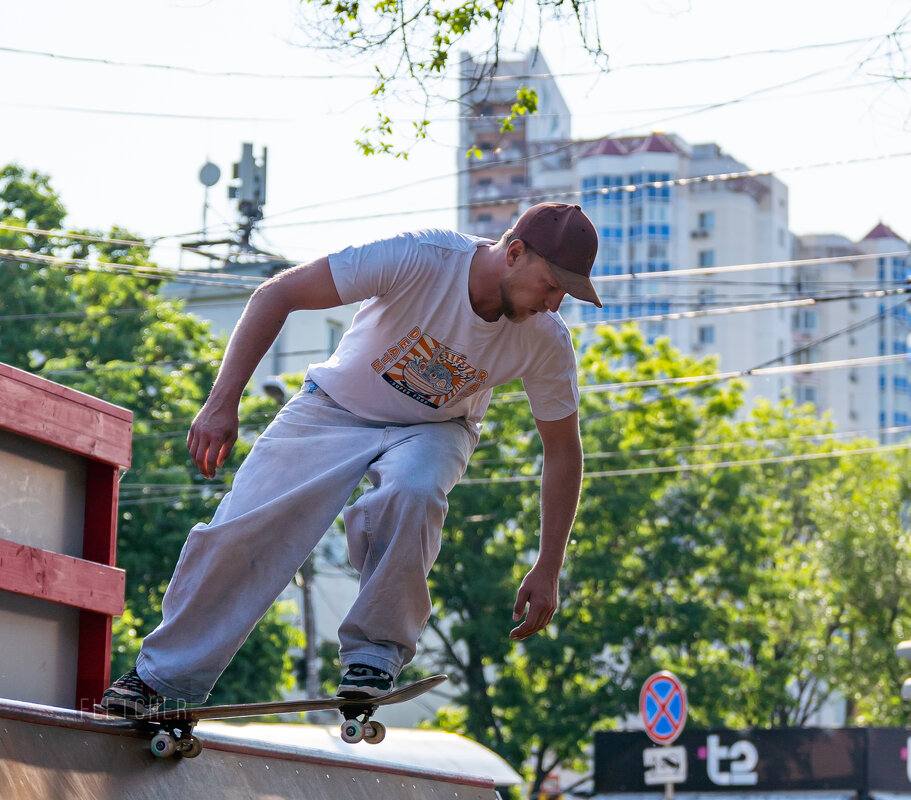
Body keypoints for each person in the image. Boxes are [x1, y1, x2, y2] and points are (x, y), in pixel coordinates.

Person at [98, 202, 600, 714]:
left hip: (435, 429)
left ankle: (374, 655)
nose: (554, 304)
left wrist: (549, 564)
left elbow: (563, 451)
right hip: (333, 407)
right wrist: (222, 401)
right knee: (243, 525)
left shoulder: (546, 341)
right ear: (514, 253)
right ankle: (161, 682)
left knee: (415, 489)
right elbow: (278, 293)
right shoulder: (420, 256)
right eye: (551, 285)